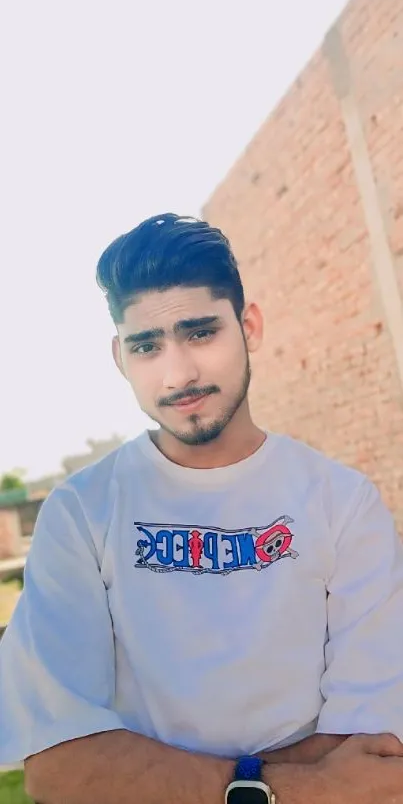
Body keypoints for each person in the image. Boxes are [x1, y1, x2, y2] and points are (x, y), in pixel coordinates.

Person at [1, 213, 403, 804]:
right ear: (120, 358)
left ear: (249, 326)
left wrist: (142, 771)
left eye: (199, 333)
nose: (178, 373)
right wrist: (293, 786)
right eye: (147, 346)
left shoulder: (342, 504)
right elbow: (61, 768)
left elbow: (373, 758)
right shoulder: (79, 515)